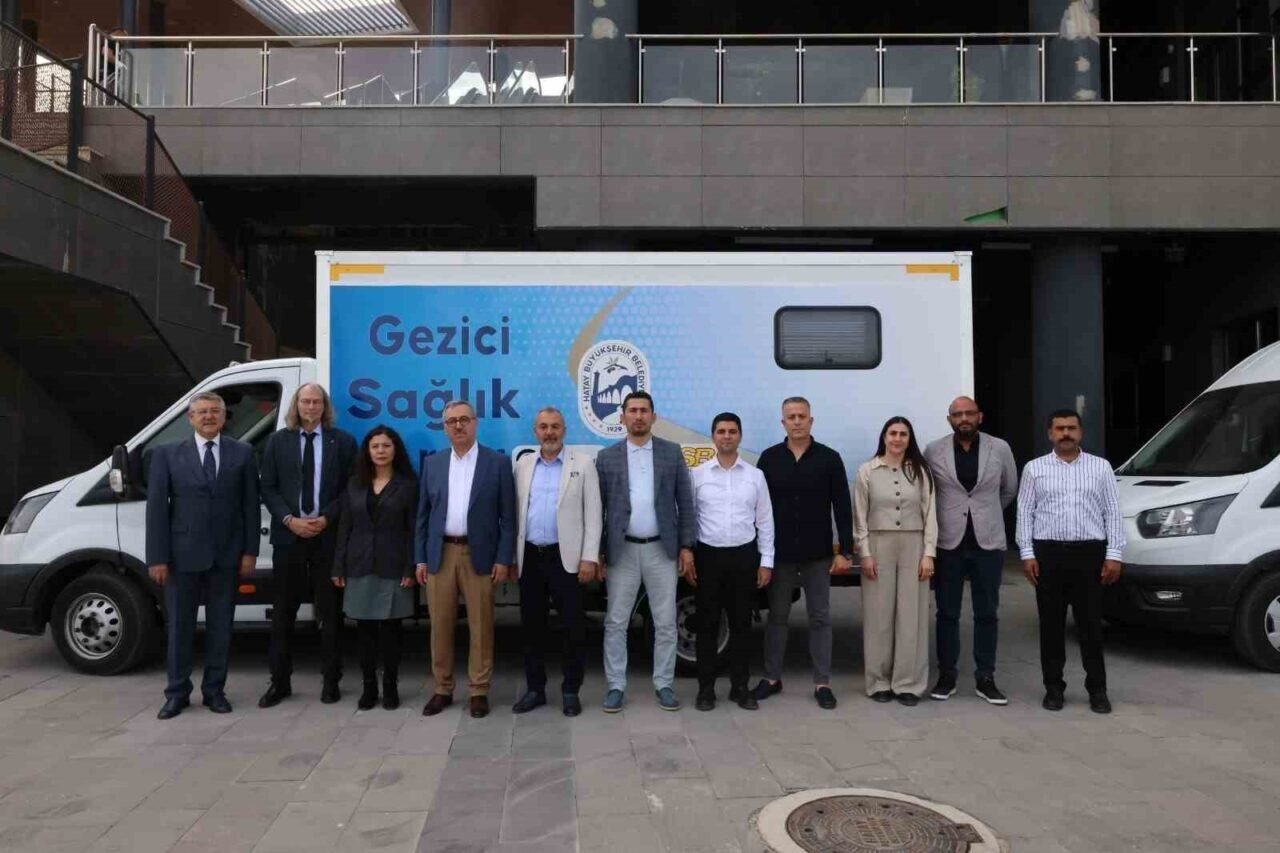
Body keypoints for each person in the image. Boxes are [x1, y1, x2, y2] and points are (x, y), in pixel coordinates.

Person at [147, 391, 260, 719]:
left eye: (214, 411)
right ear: (190, 418)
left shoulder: (243, 453)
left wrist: (250, 551)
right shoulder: (167, 454)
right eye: (202, 412)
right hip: (181, 558)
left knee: (220, 629)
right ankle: (176, 693)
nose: (209, 416)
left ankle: (214, 691)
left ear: (224, 417)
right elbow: (157, 510)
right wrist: (157, 557)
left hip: (226, 557)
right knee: (179, 628)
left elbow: (250, 507)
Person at [1016, 409, 1124, 714]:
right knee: (1051, 626)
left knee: (1090, 625)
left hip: (1089, 554)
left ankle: (1098, 690)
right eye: (1060, 428)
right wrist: (1027, 554)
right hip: (1048, 554)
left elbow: (1113, 512)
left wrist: (1114, 554)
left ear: (1080, 432)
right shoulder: (1034, 469)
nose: (1066, 433)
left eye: (1071, 428)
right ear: (1050, 433)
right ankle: (1053, 688)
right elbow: (1024, 512)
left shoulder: (1100, 468)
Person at [257, 383, 357, 708]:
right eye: (305, 401)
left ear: (324, 407)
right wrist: (289, 520)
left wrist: (327, 518)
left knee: (330, 614)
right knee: (283, 614)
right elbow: (268, 487)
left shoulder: (342, 442)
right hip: (289, 538)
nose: (311, 407)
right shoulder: (278, 442)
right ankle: (279, 682)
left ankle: (331, 681)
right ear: (296, 405)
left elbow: (351, 488)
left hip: (327, 538)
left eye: (316, 402)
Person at [596, 391, 696, 713]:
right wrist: (598, 552)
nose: (638, 416)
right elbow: (598, 509)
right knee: (616, 622)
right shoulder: (607, 457)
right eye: (632, 410)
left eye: (643, 411)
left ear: (653, 416)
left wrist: (686, 546)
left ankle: (664, 684)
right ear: (622, 417)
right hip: (622, 551)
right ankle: (615, 685)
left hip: (661, 550)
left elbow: (685, 502)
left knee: (665, 622)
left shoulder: (671, 453)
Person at [415, 400, 516, 719]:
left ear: (475, 423)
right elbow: (422, 516)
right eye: (451, 421)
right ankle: (442, 688)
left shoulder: (497, 463)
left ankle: (478, 690)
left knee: (481, 626)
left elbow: (508, 517)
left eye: (464, 419)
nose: (458, 426)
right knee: (440, 626)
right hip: (441, 554)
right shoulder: (433, 463)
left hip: (480, 554)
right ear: (444, 427)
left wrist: (503, 558)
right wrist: (420, 559)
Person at [753, 397, 854, 710]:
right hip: (779, 554)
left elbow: (842, 506)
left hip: (817, 554)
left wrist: (845, 551)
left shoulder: (829, 458)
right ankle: (772, 678)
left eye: (801, 416)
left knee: (820, 617)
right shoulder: (769, 459)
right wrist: (760, 554)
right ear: (782, 422)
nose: (796, 421)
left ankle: (822, 683)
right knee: (777, 617)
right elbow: (757, 508)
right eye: (791, 417)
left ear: (811, 420)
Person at [923, 396, 1018, 705]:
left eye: (969, 413)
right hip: (948, 543)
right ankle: (947, 675)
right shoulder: (933, 450)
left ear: (980, 416)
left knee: (987, 612)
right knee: (947, 613)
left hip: (987, 542)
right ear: (949, 419)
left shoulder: (999, 448)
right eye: (957, 414)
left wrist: (984, 512)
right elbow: (927, 492)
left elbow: (1009, 489)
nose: (964, 418)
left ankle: (985, 677)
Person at [511, 407, 603, 718]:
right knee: (531, 627)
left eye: (554, 426)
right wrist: (512, 557)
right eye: (543, 427)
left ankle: (570, 690)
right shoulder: (524, 465)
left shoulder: (583, 464)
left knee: (573, 627)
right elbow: (515, 513)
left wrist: (589, 556)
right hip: (530, 556)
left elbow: (594, 514)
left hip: (568, 558)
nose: (549, 432)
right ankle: (535, 689)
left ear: (564, 430)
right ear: (535, 432)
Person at [690, 412, 775, 711]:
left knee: (741, 626)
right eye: (721, 431)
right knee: (707, 625)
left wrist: (766, 562)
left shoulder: (755, 476)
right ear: (713, 436)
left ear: (740, 436)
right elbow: (689, 518)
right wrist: (688, 554)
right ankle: (706, 690)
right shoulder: (698, 475)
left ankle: (740, 687)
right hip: (708, 557)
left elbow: (765, 521)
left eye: (732, 431)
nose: (727, 436)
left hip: (744, 557)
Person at [331, 425, 419, 711]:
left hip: (394, 566)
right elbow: (345, 527)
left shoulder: (408, 485)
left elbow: (413, 530)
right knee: (365, 631)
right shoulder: (355, 484)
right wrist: (338, 566)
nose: (381, 451)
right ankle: (369, 687)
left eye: (386, 446)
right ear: (367, 451)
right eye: (375, 446)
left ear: (395, 450)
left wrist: (409, 567)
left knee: (391, 631)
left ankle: (390, 686)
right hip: (359, 564)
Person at [854, 416, 938, 707]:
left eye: (903, 434)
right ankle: (878, 681)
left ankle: (908, 683)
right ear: (884, 436)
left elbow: (931, 513)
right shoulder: (867, 470)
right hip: (879, 544)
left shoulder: (921, 471)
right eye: (893, 433)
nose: (897, 439)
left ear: (909, 439)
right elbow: (860, 515)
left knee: (912, 616)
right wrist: (865, 553)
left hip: (914, 544)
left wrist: (929, 553)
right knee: (878, 616)